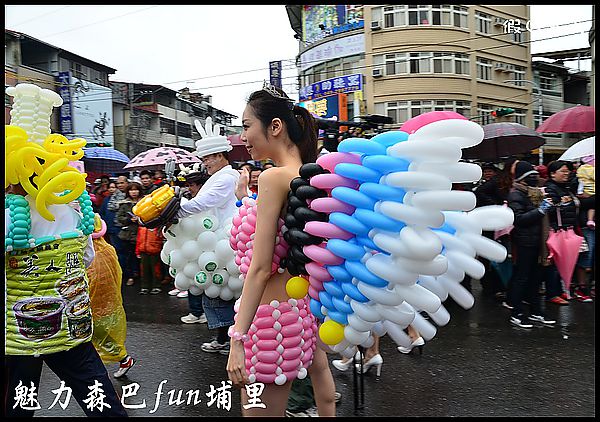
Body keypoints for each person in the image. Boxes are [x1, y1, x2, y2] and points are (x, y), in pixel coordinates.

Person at [4, 84, 127, 416]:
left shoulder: (8, 213)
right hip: (71, 326)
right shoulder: (72, 208)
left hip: (19, 334)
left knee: (19, 402)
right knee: (99, 399)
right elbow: (86, 257)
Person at [226, 83, 336, 416]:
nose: (243, 136)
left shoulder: (274, 178)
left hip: (267, 321)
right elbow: (327, 396)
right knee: (321, 382)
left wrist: (237, 339)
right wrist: (245, 198)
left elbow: (260, 268)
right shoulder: (313, 178)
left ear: (275, 127)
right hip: (298, 312)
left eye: (246, 126)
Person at [175, 119, 240, 349]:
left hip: (226, 241)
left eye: (207, 159)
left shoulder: (226, 177)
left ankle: (229, 341)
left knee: (221, 294)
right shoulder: (220, 176)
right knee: (218, 294)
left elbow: (203, 202)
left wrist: (177, 207)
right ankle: (226, 339)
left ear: (220, 156)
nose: (205, 164)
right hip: (217, 238)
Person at [506, 161, 556, 328]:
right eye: (532, 176)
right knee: (522, 277)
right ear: (523, 179)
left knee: (536, 278)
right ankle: (517, 312)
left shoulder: (536, 193)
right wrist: (540, 210)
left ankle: (536, 311)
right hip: (525, 242)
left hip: (538, 242)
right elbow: (519, 219)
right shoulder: (516, 194)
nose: (536, 178)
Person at [87, 214, 136, 377]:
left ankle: (122, 359)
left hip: (94, 305)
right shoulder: (108, 248)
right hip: (107, 303)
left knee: (97, 335)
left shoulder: (89, 254)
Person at [543, 160, 583, 304]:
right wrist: (563, 204)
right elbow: (550, 209)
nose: (567, 174)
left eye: (568, 171)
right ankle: (552, 294)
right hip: (556, 230)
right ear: (552, 174)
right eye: (563, 171)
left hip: (567, 229)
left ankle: (560, 291)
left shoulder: (565, 188)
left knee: (565, 262)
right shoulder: (550, 188)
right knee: (554, 263)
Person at [116, 181, 142, 286]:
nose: (134, 192)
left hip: (141, 234)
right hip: (128, 234)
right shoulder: (124, 204)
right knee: (129, 256)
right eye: (131, 190)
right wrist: (130, 219)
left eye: (136, 189)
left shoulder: (144, 202)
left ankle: (141, 276)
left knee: (141, 257)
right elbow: (119, 218)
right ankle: (130, 276)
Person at [136, 222, 165, 295]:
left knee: (155, 269)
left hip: (154, 251)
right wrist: (137, 251)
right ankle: (144, 286)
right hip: (143, 250)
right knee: (144, 269)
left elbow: (160, 238)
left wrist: (158, 247)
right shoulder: (142, 228)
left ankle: (156, 285)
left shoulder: (157, 227)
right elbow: (139, 240)